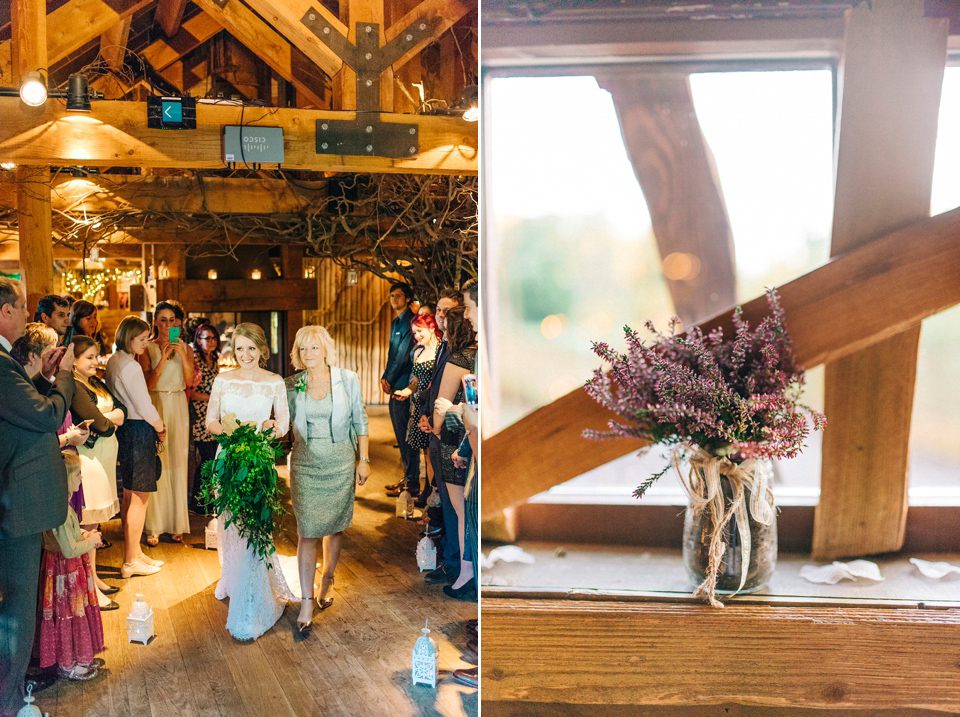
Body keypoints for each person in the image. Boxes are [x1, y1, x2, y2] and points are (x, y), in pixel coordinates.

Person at [0, 277, 76, 717]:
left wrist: (46, 378)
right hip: (16, 499)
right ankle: (10, 704)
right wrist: (62, 377)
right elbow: (46, 417)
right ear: (5, 311)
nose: (29, 315)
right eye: (23, 307)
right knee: (17, 609)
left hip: (19, 497)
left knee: (17, 604)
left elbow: (31, 411)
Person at [205, 322, 293, 641]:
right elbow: (210, 421)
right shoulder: (222, 381)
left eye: (251, 348)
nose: (245, 355)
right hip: (227, 457)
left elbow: (282, 424)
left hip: (258, 459)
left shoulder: (274, 382)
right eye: (240, 348)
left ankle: (251, 598)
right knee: (229, 522)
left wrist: (271, 426)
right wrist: (229, 433)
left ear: (261, 350)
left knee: (253, 525)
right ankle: (230, 577)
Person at [284, 325, 370, 636]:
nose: (309, 354)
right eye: (303, 349)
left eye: (314, 348)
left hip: (340, 462)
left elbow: (360, 419)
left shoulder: (347, 379)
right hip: (306, 464)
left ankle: (328, 578)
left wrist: (364, 459)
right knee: (307, 531)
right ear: (297, 353)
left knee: (333, 528)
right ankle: (306, 601)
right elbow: (281, 422)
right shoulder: (292, 384)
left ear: (325, 349)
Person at [33, 452, 105, 681]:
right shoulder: (61, 511)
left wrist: (83, 533)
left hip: (67, 571)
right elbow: (69, 549)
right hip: (65, 574)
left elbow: (68, 538)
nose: (81, 478)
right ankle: (67, 663)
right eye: (78, 474)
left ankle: (73, 658)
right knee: (67, 615)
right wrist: (91, 541)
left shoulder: (61, 506)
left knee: (70, 614)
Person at [105, 316, 166, 579]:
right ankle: (130, 561)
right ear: (129, 338)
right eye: (142, 339)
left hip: (126, 430)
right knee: (139, 497)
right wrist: (160, 427)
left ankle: (135, 552)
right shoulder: (130, 365)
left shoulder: (114, 360)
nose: (146, 343)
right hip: (139, 428)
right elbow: (143, 404)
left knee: (129, 494)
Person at [71, 335, 126, 608]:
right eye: (89, 357)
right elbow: (102, 425)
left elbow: (122, 410)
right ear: (74, 361)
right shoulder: (74, 386)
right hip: (88, 459)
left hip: (104, 458)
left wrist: (112, 418)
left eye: (96, 356)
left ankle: (93, 575)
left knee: (93, 524)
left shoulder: (94, 381)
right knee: (87, 523)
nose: (96, 361)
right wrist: (112, 419)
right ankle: (88, 586)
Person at [430, 305, 477, 599]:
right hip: (474, 442)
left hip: (455, 441)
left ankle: (465, 575)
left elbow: (439, 410)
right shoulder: (479, 358)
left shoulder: (459, 359)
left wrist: (438, 424)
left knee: (462, 514)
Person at [417, 288, 463, 585]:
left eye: (448, 312)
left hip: (450, 434)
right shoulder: (444, 347)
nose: (441, 316)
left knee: (451, 504)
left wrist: (437, 422)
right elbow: (433, 387)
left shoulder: (460, 351)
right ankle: (449, 560)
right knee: (442, 500)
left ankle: (454, 564)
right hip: (436, 430)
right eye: (438, 311)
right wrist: (424, 414)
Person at [139, 301, 193, 544]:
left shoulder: (186, 348)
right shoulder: (146, 348)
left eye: (172, 320)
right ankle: (155, 525)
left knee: (177, 462)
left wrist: (181, 354)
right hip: (157, 403)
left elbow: (191, 381)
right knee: (158, 463)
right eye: (163, 319)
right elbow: (148, 384)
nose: (168, 324)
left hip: (179, 404)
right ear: (155, 322)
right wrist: (163, 357)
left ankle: (176, 522)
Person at [394, 313, 442, 506]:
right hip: (418, 405)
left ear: (431, 327)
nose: (417, 336)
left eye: (420, 331)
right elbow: (414, 381)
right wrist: (406, 391)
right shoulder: (418, 352)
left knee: (433, 451)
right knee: (425, 451)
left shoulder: (441, 350)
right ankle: (427, 491)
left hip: (432, 405)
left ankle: (433, 492)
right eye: (414, 333)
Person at [381, 282, 418, 498]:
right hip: (395, 383)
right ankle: (407, 479)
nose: (394, 299)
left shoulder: (408, 322)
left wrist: (390, 378)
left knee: (406, 434)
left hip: (404, 385)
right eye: (391, 295)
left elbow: (403, 355)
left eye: (398, 295)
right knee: (400, 433)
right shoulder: (397, 321)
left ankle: (411, 483)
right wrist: (385, 378)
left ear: (406, 298)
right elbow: (392, 354)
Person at [189, 323, 221, 513]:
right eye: (206, 338)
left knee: (210, 458)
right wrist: (213, 399)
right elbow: (192, 393)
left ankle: (203, 499)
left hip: (212, 414)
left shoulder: (212, 359)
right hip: (200, 415)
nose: (211, 342)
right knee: (208, 457)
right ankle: (197, 502)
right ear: (198, 340)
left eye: (213, 338)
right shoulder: (195, 360)